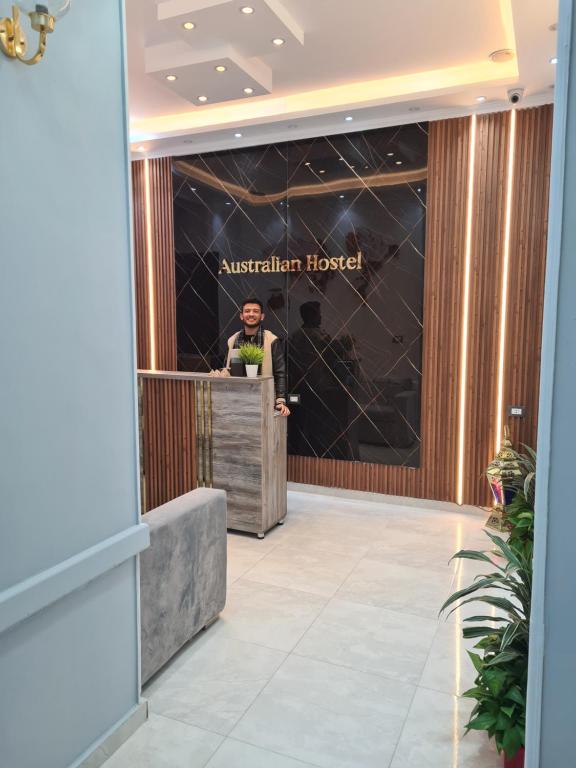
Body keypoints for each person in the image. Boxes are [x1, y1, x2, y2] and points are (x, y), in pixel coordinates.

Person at [226, 298, 290, 416]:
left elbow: (280, 373)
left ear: (262, 316)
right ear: (241, 316)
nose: (251, 314)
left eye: (255, 311)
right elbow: (228, 370)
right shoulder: (232, 340)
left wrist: (280, 400)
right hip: (237, 401)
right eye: (247, 311)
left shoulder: (271, 340)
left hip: (265, 400)